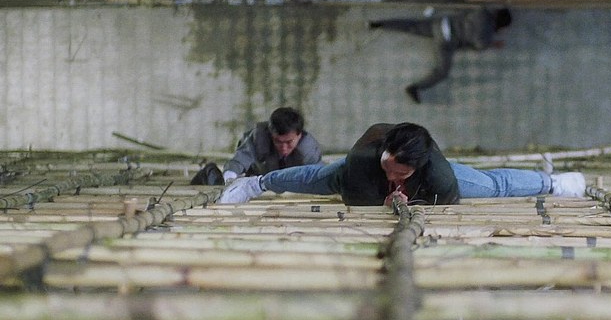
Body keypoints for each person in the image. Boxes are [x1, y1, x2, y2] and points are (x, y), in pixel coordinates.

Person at [218, 122, 586, 205]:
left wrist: (415, 199)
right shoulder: (361, 162)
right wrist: (384, 199)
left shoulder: (438, 173)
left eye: (402, 172)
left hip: (423, 186)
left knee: (492, 185)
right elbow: (355, 199)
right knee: (317, 177)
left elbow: (446, 203)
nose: (394, 174)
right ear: (385, 152)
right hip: (363, 177)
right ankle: (256, 184)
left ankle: (554, 183)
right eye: (390, 165)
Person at [368, 7, 512, 103]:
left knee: (412, 26)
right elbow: (473, 47)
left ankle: (379, 24)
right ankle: (415, 88)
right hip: (446, 41)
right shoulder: (486, 38)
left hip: (442, 23)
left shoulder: (482, 11)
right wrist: (493, 44)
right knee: (442, 72)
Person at [190, 107, 322, 185]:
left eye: (289, 142)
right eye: (278, 141)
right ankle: (209, 171)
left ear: (299, 135)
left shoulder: (309, 150)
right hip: (255, 184)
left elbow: (319, 177)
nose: (283, 148)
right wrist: (228, 181)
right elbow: (238, 162)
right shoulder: (259, 138)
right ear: (270, 134)